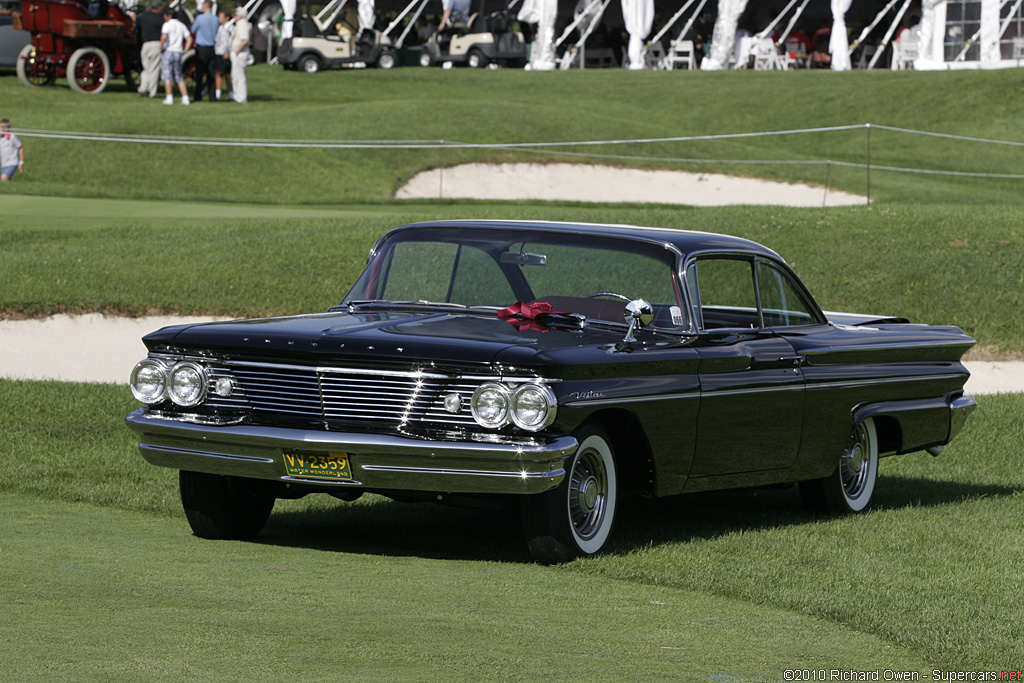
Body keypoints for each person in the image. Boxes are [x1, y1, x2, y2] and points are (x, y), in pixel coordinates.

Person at [160, 8, 193, 104]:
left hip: (168, 50)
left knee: (167, 75)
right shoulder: (181, 25)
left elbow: (163, 37)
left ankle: (169, 97)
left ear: (169, 16)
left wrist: (161, 47)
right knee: (179, 75)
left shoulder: (167, 25)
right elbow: (189, 39)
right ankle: (185, 97)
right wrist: (185, 50)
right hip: (178, 51)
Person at [135, 3, 164, 97]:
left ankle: (143, 87)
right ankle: (152, 91)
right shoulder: (161, 19)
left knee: (146, 67)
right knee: (154, 69)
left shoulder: (142, 17)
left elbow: (137, 29)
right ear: (159, 8)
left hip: (145, 44)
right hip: (156, 43)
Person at [191, 0, 218, 102]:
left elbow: (193, 29)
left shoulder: (200, 18)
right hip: (212, 47)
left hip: (202, 47)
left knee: (200, 73)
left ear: (205, 6)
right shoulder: (215, 19)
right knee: (211, 74)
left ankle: (198, 96)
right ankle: (212, 96)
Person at [229, 6, 251, 103]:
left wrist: (237, 51)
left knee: (239, 76)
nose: (233, 16)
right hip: (237, 52)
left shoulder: (242, 24)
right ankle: (237, 95)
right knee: (235, 76)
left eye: (236, 14)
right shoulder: (239, 24)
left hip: (240, 52)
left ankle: (241, 97)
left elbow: (245, 40)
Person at [213, 8, 233, 101]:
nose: (219, 19)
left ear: (227, 18)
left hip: (225, 53)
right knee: (219, 73)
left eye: (221, 17)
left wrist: (228, 52)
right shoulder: (220, 27)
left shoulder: (230, 27)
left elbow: (231, 41)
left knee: (225, 75)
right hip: (218, 52)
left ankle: (230, 93)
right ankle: (219, 93)